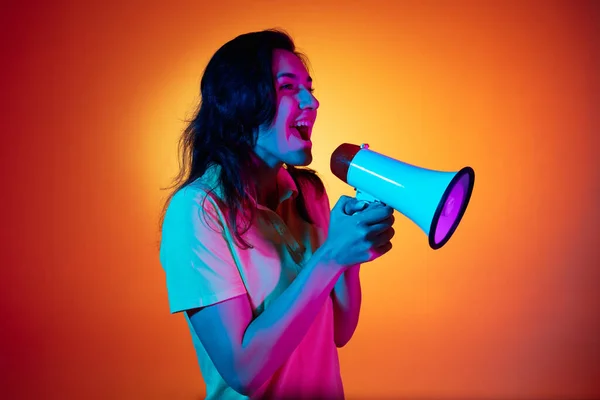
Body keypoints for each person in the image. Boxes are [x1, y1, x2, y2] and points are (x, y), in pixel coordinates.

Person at [159, 29, 396, 400]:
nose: (312, 102)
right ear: (240, 104)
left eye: (310, 87)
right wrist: (332, 254)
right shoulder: (197, 212)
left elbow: (341, 330)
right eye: (288, 88)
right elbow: (244, 372)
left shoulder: (309, 193)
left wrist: (350, 254)